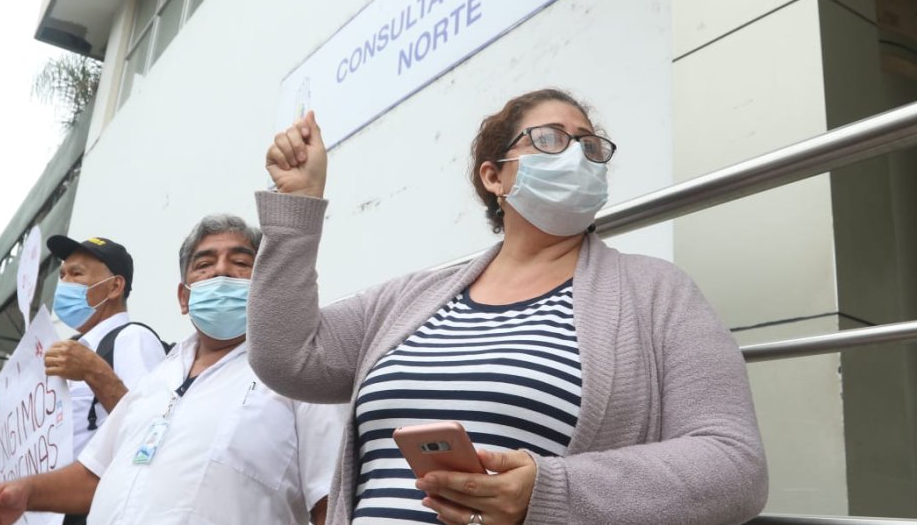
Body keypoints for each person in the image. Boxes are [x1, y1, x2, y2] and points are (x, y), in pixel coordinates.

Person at [248, 91, 770, 525]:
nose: (576, 154)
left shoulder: (658, 293)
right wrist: (297, 207)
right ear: (494, 178)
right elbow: (287, 356)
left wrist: (549, 493)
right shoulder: (410, 298)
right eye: (549, 139)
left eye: (590, 146)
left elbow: (734, 465)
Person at [0, 215, 343, 525]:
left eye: (241, 263)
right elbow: (94, 473)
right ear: (183, 297)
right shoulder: (158, 378)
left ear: (266, 285)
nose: (220, 272)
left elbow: (330, 502)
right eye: (205, 264)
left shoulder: (299, 375)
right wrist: (25, 492)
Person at [0, 235, 168, 524]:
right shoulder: (67, 348)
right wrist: (0, 437)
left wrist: (93, 371)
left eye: (77, 274)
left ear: (114, 286)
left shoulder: (132, 339)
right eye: (62, 274)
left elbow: (152, 431)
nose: (65, 283)